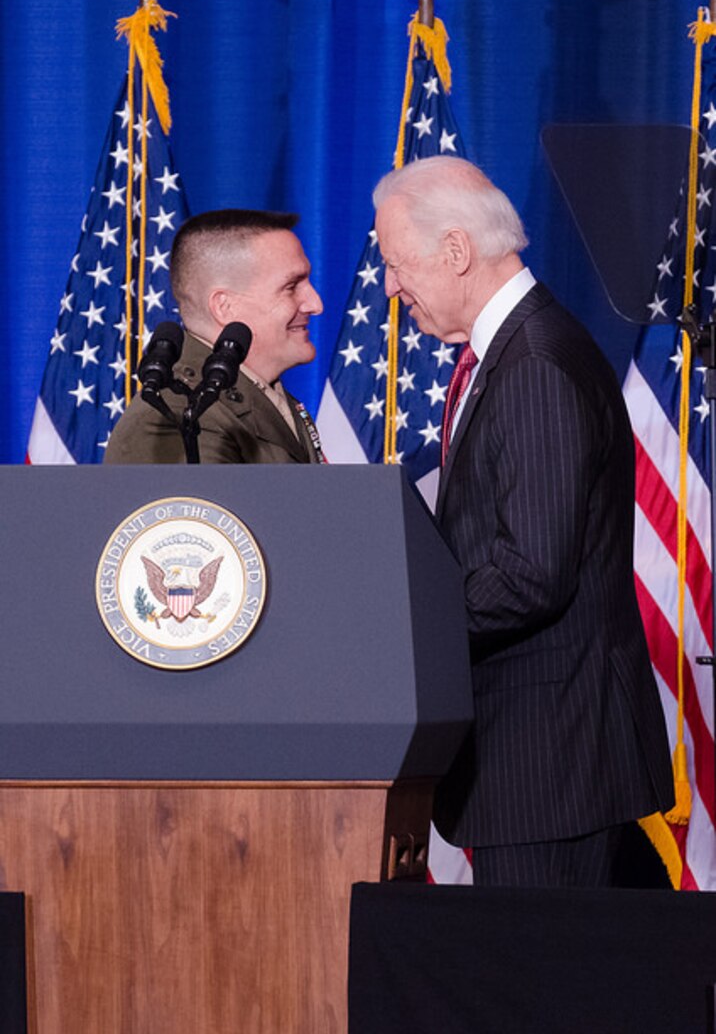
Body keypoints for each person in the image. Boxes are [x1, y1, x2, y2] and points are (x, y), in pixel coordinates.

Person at [373, 156, 674, 887]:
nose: (389, 286)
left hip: (550, 763)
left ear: (455, 251)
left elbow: (530, 574)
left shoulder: (535, 361)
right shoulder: (519, 350)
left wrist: (394, 633)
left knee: (547, 993)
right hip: (548, 758)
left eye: (394, 262)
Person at [104, 208, 324, 464]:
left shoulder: (269, 397)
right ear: (225, 307)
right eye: (291, 287)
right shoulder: (179, 415)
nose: (315, 304)